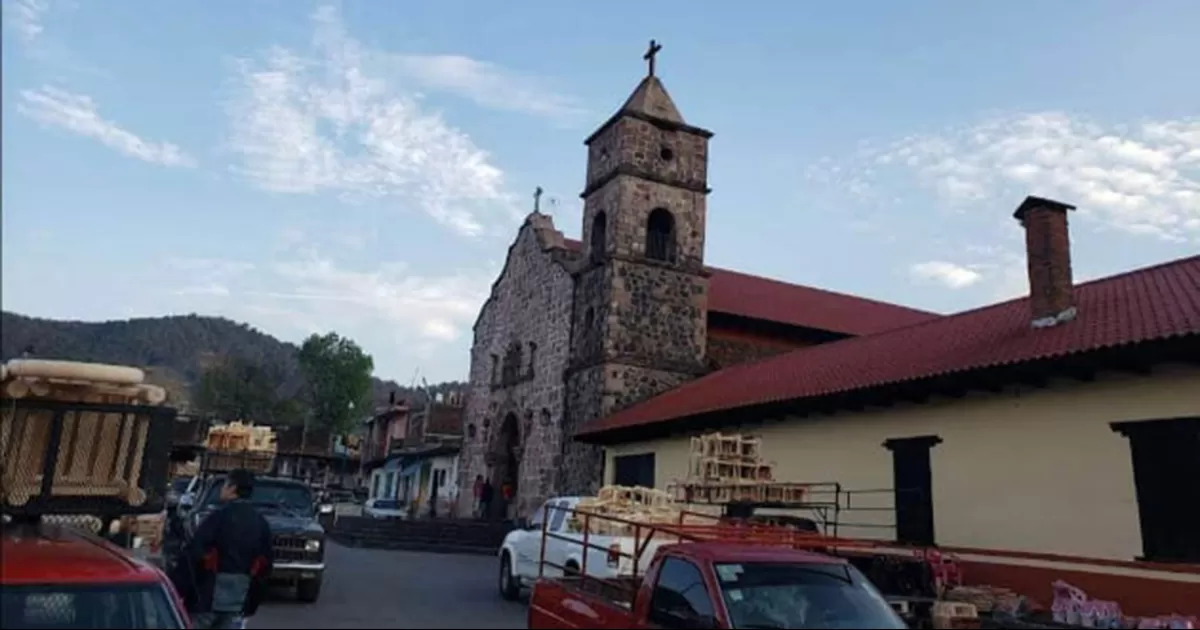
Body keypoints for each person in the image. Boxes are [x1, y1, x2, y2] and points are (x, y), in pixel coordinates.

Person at [177, 469, 274, 630]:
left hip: (206, 599)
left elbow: (194, 554)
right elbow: (265, 565)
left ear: (232, 488)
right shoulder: (261, 523)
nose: (221, 489)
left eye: (224, 485)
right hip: (239, 601)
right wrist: (253, 601)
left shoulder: (218, 518)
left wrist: (179, 588)